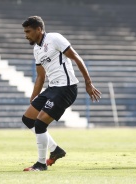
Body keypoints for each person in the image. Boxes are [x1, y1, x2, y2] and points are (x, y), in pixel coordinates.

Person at [21, 16, 101, 171]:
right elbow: (40, 76)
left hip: (67, 88)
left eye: (28, 31)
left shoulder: (54, 38)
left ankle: (41, 164)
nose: (26, 35)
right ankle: (55, 150)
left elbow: (76, 57)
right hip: (52, 88)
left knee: (40, 123)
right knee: (28, 119)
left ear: (39, 29)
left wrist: (88, 82)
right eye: (25, 32)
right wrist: (33, 99)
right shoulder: (37, 49)